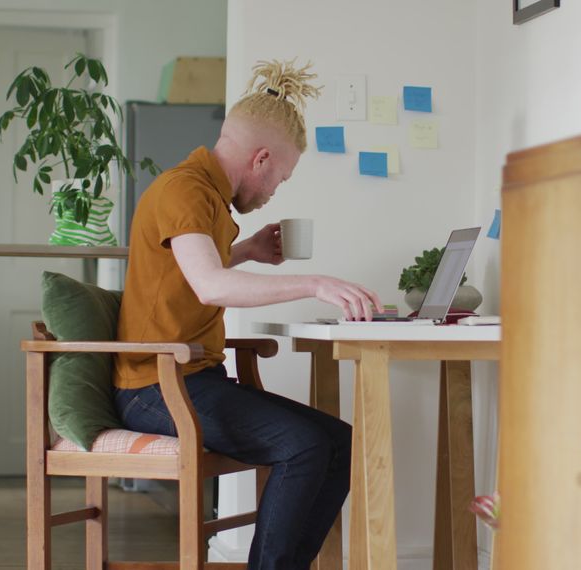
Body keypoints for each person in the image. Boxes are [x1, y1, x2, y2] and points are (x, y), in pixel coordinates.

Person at [113, 59, 382, 570]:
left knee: (339, 442)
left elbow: (190, 271)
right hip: (155, 387)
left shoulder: (206, 195)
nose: (277, 189)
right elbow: (210, 286)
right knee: (303, 447)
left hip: (190, 378)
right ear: (261, 159)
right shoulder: (185, 192)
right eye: (282, 177)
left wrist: (250, 249)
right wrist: (314, 282)